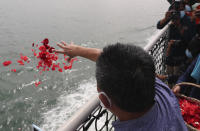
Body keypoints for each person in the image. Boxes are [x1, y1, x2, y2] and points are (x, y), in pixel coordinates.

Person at [53, 42, 187, 131]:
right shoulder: (161, 91)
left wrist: (78, 51)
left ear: (104, 100)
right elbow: (122, 62)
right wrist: (78, 50)